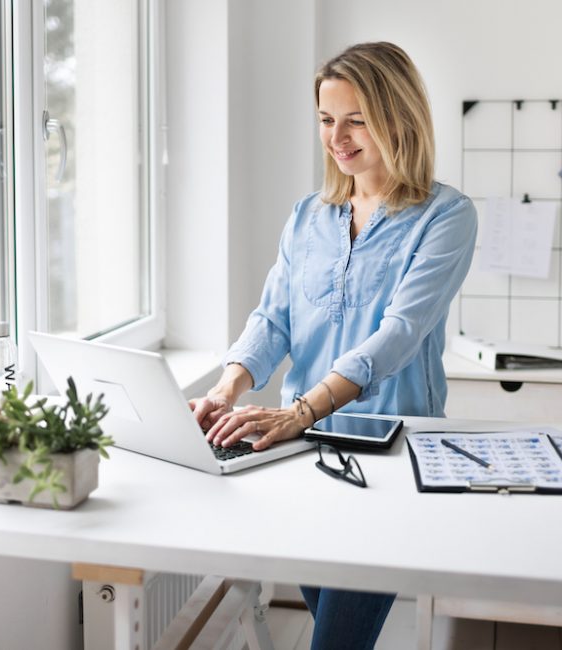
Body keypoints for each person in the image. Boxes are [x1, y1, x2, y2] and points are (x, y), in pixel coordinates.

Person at [190, 41, 477, 650]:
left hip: (388, 452)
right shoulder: (307, 217)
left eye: (356, 120)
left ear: (398, 118)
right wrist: (226, 386)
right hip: (300, 458)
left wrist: (300, 410)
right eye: (326, 119)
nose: (337, 138)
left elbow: (398, 333)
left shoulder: (445, 216)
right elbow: (273, 319)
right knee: (333, 631)